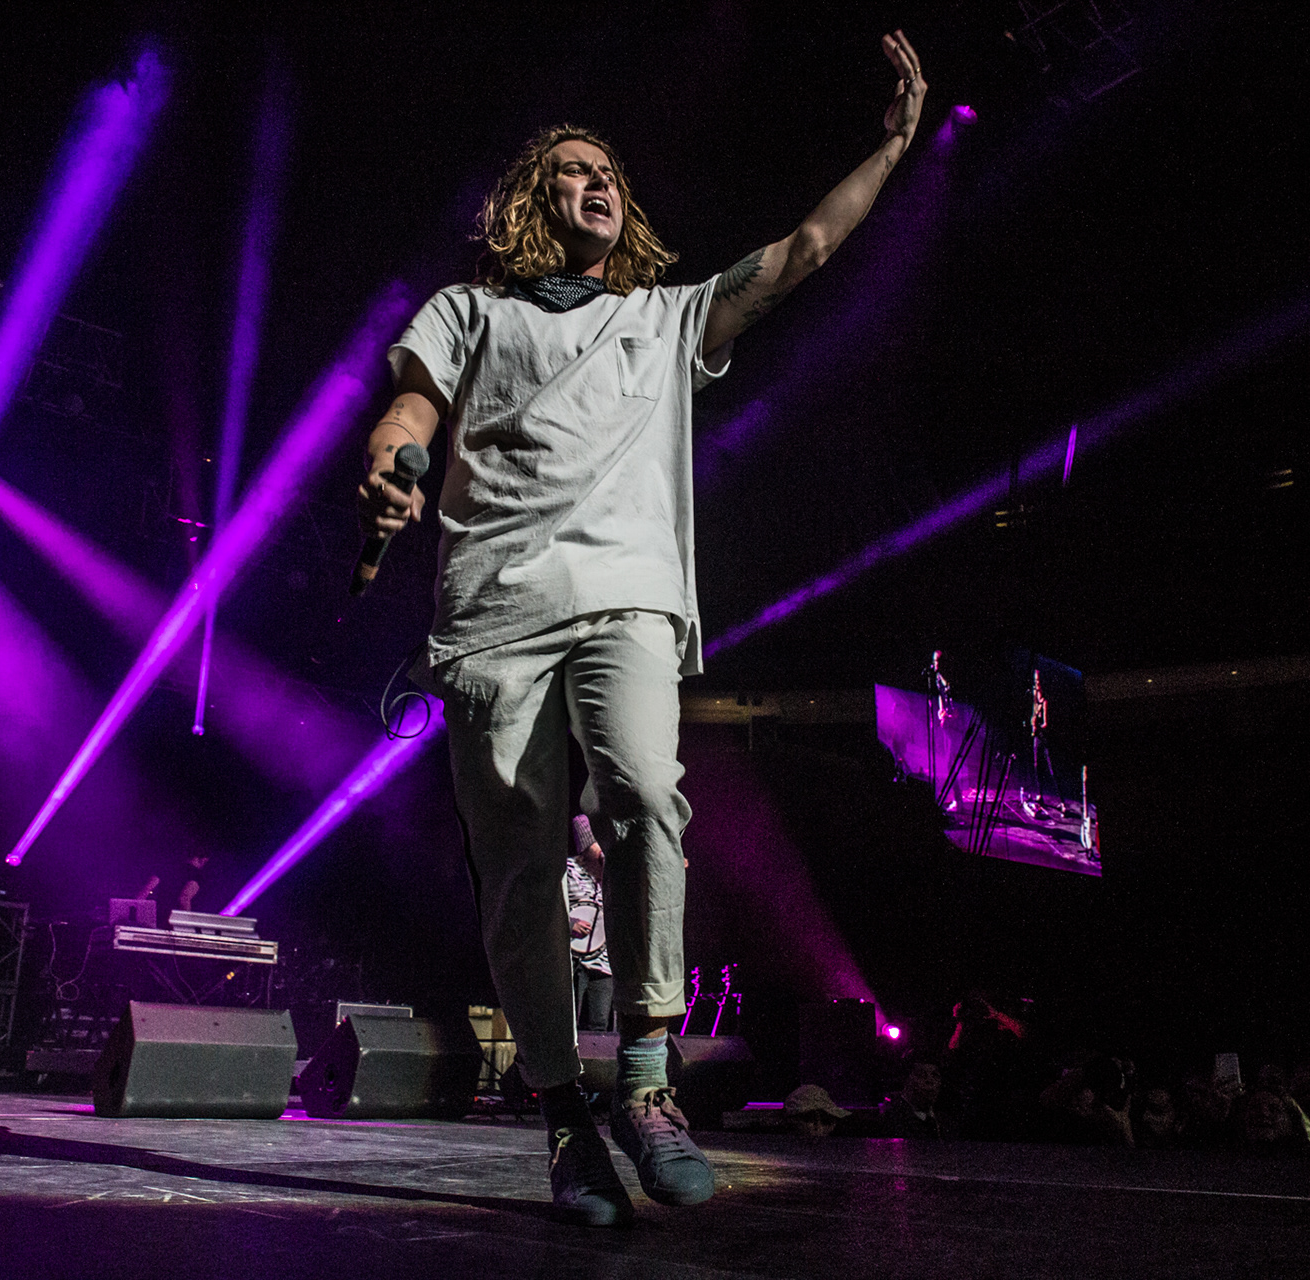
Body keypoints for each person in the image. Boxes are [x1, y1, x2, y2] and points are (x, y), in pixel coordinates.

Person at [357, 31, 929, 1226]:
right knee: (520, 873)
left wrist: (891, 148)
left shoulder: (667, 318)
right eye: (571, 170)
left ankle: (650, 1078)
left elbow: (806, 249)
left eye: (608, 171)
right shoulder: (472, 309)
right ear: (533, 200)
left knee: (644, 791)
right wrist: (395, 458)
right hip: (492, 615)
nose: (596, 182)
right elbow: (411, 403)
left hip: (627, 596)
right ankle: (567, 1120)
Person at [566, 814, 613, 1032]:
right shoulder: (568, 870)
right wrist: (569, 924)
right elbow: (549, 908)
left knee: (599, 1025)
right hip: (572, 959)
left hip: (604, 962)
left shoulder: (612, 873)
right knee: (569, 1023)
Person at [136, 852, 209, 925]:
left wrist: (136, 914)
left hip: (157, 917)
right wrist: (186, 923)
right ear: (203, 860)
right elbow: (184, 898)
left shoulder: (168, 868)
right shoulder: (196, 875)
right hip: (175, 921)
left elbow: (147, 889)